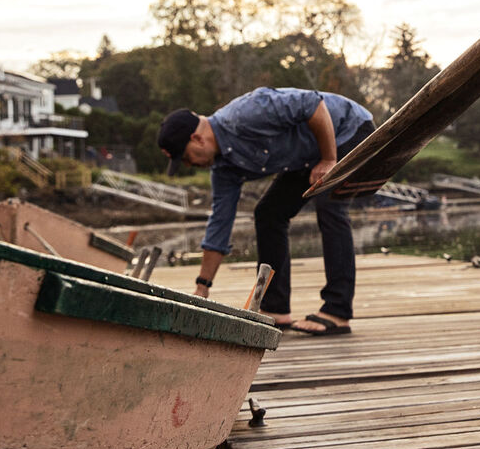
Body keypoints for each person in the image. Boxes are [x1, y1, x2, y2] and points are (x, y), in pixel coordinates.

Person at [158, 86, 374, 336]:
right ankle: (276, 309)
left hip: (348, 131)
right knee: (269, 214)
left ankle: (338, 311)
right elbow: (219, 224)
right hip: (307, 156)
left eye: (185, 158)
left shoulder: (246, 114)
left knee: (330, 205)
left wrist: (328, 160)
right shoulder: (223, 169)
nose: (189, 165)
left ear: (197, 139)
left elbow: (313, 105)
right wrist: (202, 288)